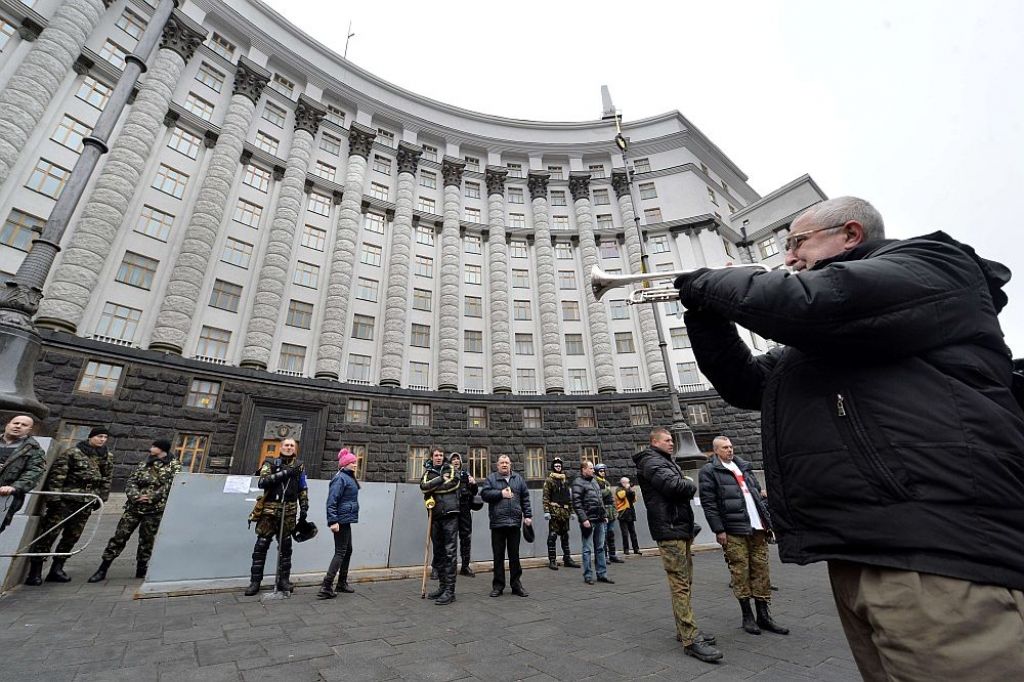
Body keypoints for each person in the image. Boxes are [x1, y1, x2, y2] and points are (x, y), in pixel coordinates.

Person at [675, 196, 1024, 678]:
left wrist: (712, 281)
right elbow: (746, 384)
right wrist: (704, 314)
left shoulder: (931, 263)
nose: (789, 258)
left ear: (851, 234)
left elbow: (819, 302)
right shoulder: (822, 340)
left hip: (941, 552)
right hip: (860, 552)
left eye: (796, 243)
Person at [634, 427, 723, 663]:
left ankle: (684, 630)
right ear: (654, 442)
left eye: (672, 440)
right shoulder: (652, 461)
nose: (672, 443)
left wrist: (682, 481)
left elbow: (677, 485)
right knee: (680, 584)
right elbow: (675, 487)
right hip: (670, 529)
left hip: (679, 527)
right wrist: (688, 483)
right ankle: (691, 639)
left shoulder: (663, 461)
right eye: (667, 440)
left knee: (685, 581)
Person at [698, 436, 787, 635]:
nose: (730, 450)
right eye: (725, 447)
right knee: (740, 572)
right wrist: (719, 529)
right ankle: (748, 617)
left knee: (761, 571)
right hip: (733, 530)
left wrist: (766, 522)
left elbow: (756, 493)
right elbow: (709, 503)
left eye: (731, 446)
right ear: (715, 451)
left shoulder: (743, 467)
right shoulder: (709, 471)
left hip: (757, 529)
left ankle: (764, 616)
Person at [26, 426, 114, 585]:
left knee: (71, 537)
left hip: (86, 503)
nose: (102, 440)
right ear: (91, 437)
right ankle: (35, 571)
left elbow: (107, 479)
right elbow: (58, 475)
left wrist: (101, 498)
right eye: (99, 436)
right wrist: (55, 499)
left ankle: (57, 569)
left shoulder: (107, 457)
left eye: (105, 437)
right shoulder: (73, 453)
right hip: (65, 500)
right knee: (48, 535)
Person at [87, 439, 181, 582]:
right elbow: (132, 481)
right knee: (119, 537)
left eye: (155, 446)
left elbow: (171, 485)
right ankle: (102, 569)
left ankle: (141, 569)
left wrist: (150, 498)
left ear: (162, 449)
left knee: (147, 541)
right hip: (134, 508)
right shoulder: (144, 463)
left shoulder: (173, 466)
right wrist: (136, 496)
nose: (151, 448)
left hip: (154, 510)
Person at [242, 438, 308, 596]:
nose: (289, 447)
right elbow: (263, 482)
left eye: (292, 445)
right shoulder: (270, 463)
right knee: (261, 546)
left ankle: (283, 581)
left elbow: (302, 487)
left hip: (289, 510)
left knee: (286, 547)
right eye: (286, 445)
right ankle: (255, 582)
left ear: (295, 448)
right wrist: (285, 473)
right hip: (270, 510)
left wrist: (304, 505)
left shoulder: (299, 466)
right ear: (281, 447)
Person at [479, 454, 532, 597]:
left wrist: (528, 516)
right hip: (498, 524)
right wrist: (501, 493)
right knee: (498, 556)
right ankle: (498, 586)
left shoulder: (518, 479)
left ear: (510, 465)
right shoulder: (491, 478)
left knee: (514, 556)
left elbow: (525, 498)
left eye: (506, 463)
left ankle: (516, 585)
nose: (504, 465)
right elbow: (484, 494)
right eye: (501, 463)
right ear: (497, 466)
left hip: (514, 523)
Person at [420, 448, 461, 605]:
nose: (438, 457)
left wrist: (433, 487)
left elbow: (453, 484)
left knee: (450, 553)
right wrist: (439, 480)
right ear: (432, 457)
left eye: (441, 455)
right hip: (435, 515)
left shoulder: (450, 468)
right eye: (436, 455)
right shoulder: (427, 473)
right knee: (439, 552)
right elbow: (423, 487)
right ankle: (442, 587)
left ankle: (450, 591)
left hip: (450, 513)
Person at [318, 448, 360, 599]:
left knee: (347, 550)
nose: (355, 464)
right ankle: (326, 585)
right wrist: (333, 521)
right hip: (340, 520)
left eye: (355, 462)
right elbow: (332, 500)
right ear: (345, 464)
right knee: (341, 551)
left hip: (345, 519)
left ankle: (341, 582)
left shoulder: (348, 477)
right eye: (352, 462)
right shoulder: (340, 478)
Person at [0, 415, 47, 536]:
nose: (18, 426)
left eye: (24, 425)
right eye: (16, 423)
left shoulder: (34, 450)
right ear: (8, 425)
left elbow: (34, 472)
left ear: (29, 430)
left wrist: (15, 487)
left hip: (5, 499)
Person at [571, 460, 613, 586]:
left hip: (599, 519)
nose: (592, 470)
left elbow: (600, 499)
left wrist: (604, 514)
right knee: (587, 549)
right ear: (583, 469)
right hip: (588, 520)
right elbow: (577, 504)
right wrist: (584, 519)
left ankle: (602, 574)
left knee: (600, 548)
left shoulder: (594, 481)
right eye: (590, 468)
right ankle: (588, 575)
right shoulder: (578, 483)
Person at [541, 457, 578, 570]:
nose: (558, 467)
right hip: (554, 511)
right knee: (552, 535)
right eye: (556, 466)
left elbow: (569, 496)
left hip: (565, 511)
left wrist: (571, 511)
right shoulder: (549, 481)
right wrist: (546, 510)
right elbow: (546, 497)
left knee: (565, 535)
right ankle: (552, 560)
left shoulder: (565, 480)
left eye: (560, 466)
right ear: (553, 467)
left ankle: (567, 558)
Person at [448, 452, 479, 577]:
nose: (456, 461)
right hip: (452, 511)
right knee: (451, 539)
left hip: (465, 511)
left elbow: (474, 492)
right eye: (453, 459)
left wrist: (474, 483)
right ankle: (451, 567)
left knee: (466, 538)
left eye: (457, 459)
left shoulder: (466, 475)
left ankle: (465, 566)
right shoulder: (446, 475)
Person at [593, 463, 623, 564]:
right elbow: (599, 495)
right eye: (601, 471)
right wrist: (606, 490)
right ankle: (604, 556)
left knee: (611, 534)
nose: (603, 473)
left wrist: (615, 510)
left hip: (611, 510)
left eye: (604, 471)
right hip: (603, 510)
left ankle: (612, 555)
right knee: (603, 535)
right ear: (597, 472)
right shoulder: (595, 482)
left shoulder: (606, 482)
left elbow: (612, 498)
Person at [614, 476, 640, 556]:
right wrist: (627, 489)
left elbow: (634, 499)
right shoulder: (618, 489)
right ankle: (626, 549)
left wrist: (631, 491)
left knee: (633, 532)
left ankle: (636, 549)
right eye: (627, 482)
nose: (629, 484)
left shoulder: (629, 489)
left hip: (630, 511)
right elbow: (621, 496)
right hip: (623, 512)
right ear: (623, 483)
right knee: (625, 533)